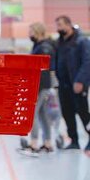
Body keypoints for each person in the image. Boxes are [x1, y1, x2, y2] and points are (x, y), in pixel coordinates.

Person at [18, 22, 57, 156]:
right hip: (42, 84)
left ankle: (34, 144)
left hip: (41, 85)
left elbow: (44, 69)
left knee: (33, 114)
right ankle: (48, 143)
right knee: (43, 114)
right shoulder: (39, 46)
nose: (29, 35)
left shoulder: (44, 47)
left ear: (38, 32)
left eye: (31, 32)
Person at [54, 15, 90, 152]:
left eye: (60, 25)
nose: (58, 28)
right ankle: (74, 140)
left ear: (69, 25)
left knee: (83, 113)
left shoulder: (81, 41)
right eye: (57, 26)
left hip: (77, 84)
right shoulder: (60, 42)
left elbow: (87, 62)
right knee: (67, 113)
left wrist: (80, 81)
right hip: (63, 85)